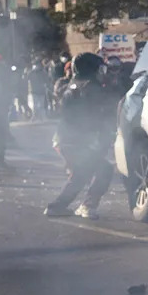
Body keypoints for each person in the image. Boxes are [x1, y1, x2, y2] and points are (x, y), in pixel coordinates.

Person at [44, 52, 115, 219]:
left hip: (65, 139)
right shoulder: (91, 88)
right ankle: (86, 206)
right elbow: (98, 115)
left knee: (82, 173)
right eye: (99, 69)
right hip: (76, 140)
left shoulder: (73, 85)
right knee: (103, 169)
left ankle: (56, 207)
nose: (102, 73)